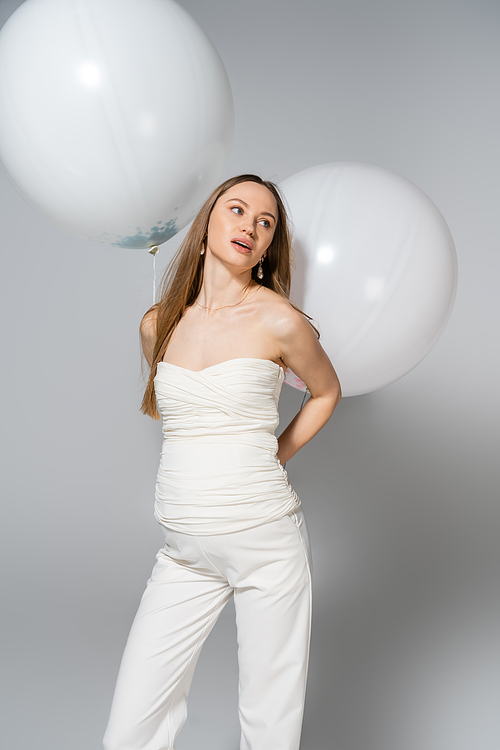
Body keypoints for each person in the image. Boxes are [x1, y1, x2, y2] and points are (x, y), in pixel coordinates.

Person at [103, 174, 341, 750]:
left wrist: (272, 456)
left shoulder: (280, 320)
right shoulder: (157, 323)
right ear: (208, 221)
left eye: (265, 223)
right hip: (184, 551)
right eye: (238, 210)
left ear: (268, 247)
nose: (250, 227)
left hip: (264, 543)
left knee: (269, 724)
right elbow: (181, 417)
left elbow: (326, 392)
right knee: (130, 730)